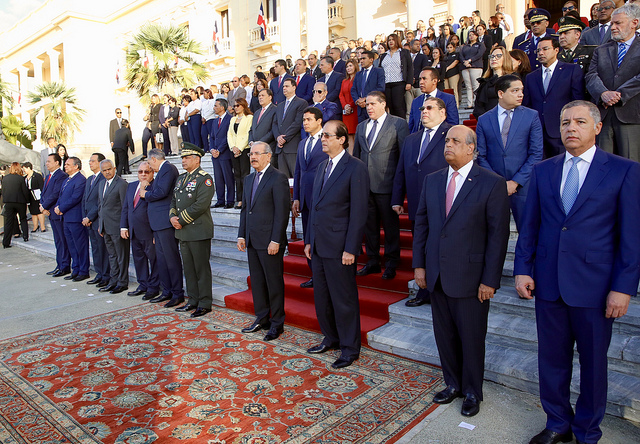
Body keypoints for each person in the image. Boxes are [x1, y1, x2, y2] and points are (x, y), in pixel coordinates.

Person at [514, 100, 640, 444]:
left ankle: (587, 430)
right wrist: (522, 269)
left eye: (580, 121)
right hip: (549, 284)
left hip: (596, 288)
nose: (571, 127)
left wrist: (623, 288)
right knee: (552, 360)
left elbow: (631, 237)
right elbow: (530, 227)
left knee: (594, 365)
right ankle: (558, 423)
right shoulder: (544, 170)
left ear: (597, 127)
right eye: (566, 121)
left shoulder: (623, 170)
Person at [413, 125, 510, 418]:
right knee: (444, 335)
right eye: (447, 141)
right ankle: (452, 384)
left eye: (455, 141)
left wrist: (490, 280)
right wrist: (420, 265)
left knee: (471, 337)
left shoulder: (491, 183)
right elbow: (422, 225)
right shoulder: (432, 180)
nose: (448, 145)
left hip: (471, 278)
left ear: (471, 147)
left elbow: (498, 236)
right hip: (437, 274)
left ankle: (472, 391)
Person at [304, 120, 369, 369]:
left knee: (344, 299)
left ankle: (350, 348)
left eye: (327, 135)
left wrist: (351, 248)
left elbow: (359, 212)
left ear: (342, 139)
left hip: (341, 247)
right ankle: (330, 338)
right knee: (322, 297)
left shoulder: (356, 168)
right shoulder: (322, 167)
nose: (323, 139)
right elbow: (316, 207)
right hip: (319, 245)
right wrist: (309, 240)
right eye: (322, 136)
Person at [391, 98, 451, 306]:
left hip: (445, 204)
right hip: (417, 204)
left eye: (429, 108)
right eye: (422, 108)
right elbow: (402, 169)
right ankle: (424, 291)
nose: (424, 111)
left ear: (443, 113)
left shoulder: (451, 135)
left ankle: (444, 290)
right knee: (421, 245)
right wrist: (397, 198)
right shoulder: (411, 139)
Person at [476, 75, 543, 231]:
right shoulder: (484, 119)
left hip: (524, 186)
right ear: (501, 93)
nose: (521, 94)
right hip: (493, 187)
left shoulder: (531, 116)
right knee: (494, 234)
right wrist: (499, 183)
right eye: (515, 91)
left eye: (521, 90)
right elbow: (481, 155)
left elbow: (536, 153)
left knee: (527, 233)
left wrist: (515, 182)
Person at [353, 91, 408, 280]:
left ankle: (392, 262)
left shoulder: (398, 124)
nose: (369, 107)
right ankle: (373, 261)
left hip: (388, 185)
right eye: (367, 104)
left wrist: (400, 189)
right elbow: (358, 158)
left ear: (383, 104)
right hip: (365, 187)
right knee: (369, 228)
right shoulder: (361, 127)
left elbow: (403, 158)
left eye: (373, 104)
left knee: (391, 227)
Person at [238, 141, 290, 339]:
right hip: (252, 240)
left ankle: (277, 323)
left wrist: (276, 240)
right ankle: (262, 318)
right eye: (251, 154)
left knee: (273, 283)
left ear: (268, 156)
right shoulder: (249, 179)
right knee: (258, 283)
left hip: (270, 242)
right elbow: (246, 210)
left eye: (257, 154)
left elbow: (281, 213)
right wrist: (242, 234)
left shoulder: (278, 178)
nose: (253, 157)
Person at [586, 3, 640, 161]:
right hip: (604, 116)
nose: (613, 27)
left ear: (634, 23)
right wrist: (603, 93)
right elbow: (591, 75)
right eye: (612, 23)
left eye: (618, 23)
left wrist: (619, 95)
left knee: (631, 165)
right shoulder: (601, 49)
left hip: (632, 116)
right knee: (603, 164)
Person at [169, 143, 215, 318]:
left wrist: (180, 220)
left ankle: (204, 303)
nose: (183, 160)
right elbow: (174, 201)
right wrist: (172, 217)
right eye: (182, 157)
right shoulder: (181, 179)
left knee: (201, 269)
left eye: (187, 157)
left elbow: (200, 205)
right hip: (183, 232)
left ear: (197, 159)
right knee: (188, 268)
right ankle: (193, 300)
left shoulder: (205, 179)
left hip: (198, 231)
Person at [523, 37, 584, 158]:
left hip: (561, 130)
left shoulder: (571, 70)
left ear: (556, 50)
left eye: (545, 49)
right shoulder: (531, 77)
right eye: (538, 50)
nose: (540, 53)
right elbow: (527, 105)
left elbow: (577, 102)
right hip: (537, 133)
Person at [139, 149, 184, 307]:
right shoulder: (161, 172)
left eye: (150, 163)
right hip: (158, 223)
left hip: (165, 222)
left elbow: (162, 192)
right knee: (162, 260)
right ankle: (167, 291)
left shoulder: (168, 168)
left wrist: (145, 193)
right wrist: (148, 190)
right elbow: (157, 191)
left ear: (153, 159)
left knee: (171, 259)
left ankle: (177, 292)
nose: (150, 167)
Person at [292, 107, 328, 289]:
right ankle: (314, 274)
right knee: (308, 238)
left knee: (322, 238)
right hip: (305, 200)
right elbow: (298, 172)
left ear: (319, 121)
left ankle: (325, 276)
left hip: (323, 200)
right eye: (304, 120)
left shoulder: (327, 140)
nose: (305, 122)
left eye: (308, 119)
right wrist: (296, 197)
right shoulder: (302, 143)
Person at [120, 162, 160, 300]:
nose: (143, 174)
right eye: (140, 172)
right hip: (133, 231)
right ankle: (143, 284)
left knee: (154, 260)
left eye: (146, 172)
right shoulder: (131, 186)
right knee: (138, 259)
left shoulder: (155, 187)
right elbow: (126, 208)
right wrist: (124, 226)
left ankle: (153, 287)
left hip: (149, 231)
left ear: (152, 173)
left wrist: (156, 232)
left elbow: (156, 210)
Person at [55, 157, 89, 281]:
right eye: (66, 164)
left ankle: (84, 270)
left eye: (68, 164)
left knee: (80, 245)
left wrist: (62, 208)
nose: (66, 166)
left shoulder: (80, 180)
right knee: (72, 246)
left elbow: (75, 198)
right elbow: (61, 195)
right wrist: (58, 206)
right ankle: (76, 269)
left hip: (75, 218)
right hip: (66, 218)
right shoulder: (67, 180)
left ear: (76, 166)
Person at [97, 159, 128, 294]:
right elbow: (100, 206)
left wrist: (124, 226)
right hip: (105, 227)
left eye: (109, 169)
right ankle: (113, 280)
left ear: (114, 168)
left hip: (117, 227)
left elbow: (125, 207)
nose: (107, 172)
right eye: (104, 170)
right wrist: (100, 224)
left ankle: (122, 282)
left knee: (121, 256)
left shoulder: (121, 184)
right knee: (112, 256)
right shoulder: (101, 184)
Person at [82, 153, 110, 288]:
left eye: (92, 161)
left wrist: (90, 217)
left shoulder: (103, 178)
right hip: (89, 221)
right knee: (95, 250)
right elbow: (85, 200)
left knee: (102, 250)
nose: (90, 163)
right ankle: (99, 274)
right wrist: (85, 217)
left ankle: (106, 275)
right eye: (89, 161)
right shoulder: (89, 179)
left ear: (100, 162)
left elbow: (100, 201)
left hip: (98, 219)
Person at [39, 153, 70, 276]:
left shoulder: (61, 176)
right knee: (57, 241)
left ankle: (65, 266)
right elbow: (44, 193)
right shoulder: (48, 176)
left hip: (57, 212)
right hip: (49, 212)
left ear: (57, 162)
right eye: (46, 162)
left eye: (49, 161)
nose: (46, 164)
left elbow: (56, 194)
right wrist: (42, 207)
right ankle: (59, 265)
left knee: (62, 241)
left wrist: (45, 206)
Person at [272, 78, 308, 178]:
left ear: (294, 87)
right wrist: (278, 137)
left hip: (292, 147)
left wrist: (285, 138)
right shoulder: (279, 106)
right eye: (283, 86)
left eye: (287, 86)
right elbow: (274, 123)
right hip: (280, 148)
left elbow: (297, 123)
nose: (284, 88)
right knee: (283, 179)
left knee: (295, 177)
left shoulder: (301, 103)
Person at [408, 67, 459, 133]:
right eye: (420, 79)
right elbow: (411, 126)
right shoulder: (416, 101)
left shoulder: (448, 99)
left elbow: (453, 124)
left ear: (434, 81)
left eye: (424, 79)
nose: (421, 82)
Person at [378, 33, 413, 119]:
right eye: (389, 40)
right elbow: (380, 69)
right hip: (386, 84)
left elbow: (410, 67)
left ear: (397, 41)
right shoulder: (384, 55)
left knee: (398, 106)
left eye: (392, 40)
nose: (390, 42)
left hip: (399, 82)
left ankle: (402, 125)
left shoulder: (404, 52)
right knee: (390, 106)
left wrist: (409, 82)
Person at [473, 46, 514, 117]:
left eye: (498, 56)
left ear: (505, 59)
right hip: (488, 120)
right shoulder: (484, 82)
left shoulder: (512, 79)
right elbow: (478, 107)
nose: (494, 59)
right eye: (492, 56)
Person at [228, 98, 253, 209]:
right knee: (237, 175)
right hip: (234, 150)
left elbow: (248, 133)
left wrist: (240, 148)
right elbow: (230, 134)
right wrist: (233, 147)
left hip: (244, 149)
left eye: (238, 105)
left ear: (243, 106)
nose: (236, 107)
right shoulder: (233, 119)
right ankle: (239, 199)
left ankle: (246, 199)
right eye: (234, 106)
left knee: (245, 174)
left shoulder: (249, 118)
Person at [210, 98, 234, 208]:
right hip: (215, 155)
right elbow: (212, 137)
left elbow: (228, 137)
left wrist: (219, 150)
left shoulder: (230, 119)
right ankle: (220, 200)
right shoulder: (215, 121)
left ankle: (230, 200)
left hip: (225, 153)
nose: (214, 108)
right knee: (218, 178)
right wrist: (212, 149)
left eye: (216, 106)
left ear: (222, 107)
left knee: (228, 177)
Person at [1, 162, 29, 248]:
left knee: (8, 223)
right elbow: (24, 191)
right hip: (20, 202)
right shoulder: (20, 179)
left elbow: (3, 191)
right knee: (23, 219)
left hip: (9, 202)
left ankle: (6, 242)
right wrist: (27, 201)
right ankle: (25, 236)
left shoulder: (5, 178)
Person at [459, 30, 486, 109]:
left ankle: (476, 102)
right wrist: (465, 62)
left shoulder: (480, 45)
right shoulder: (465, 46)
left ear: (477, 36)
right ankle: (469, 104)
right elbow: (461, 55)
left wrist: (470, 60)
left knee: (475, 85)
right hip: (465, 67)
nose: (471, 36)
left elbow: (479, 54)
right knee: (468, 86)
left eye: (473, 35)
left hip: (476, 66)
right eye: (470, 35)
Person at [249, 88, 278, 156]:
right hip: (255, 149)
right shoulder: (256, 112)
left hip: (268, 148)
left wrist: (260, 143)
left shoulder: (275, 110)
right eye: (259, 96)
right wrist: (251, 142)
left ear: (270, 97)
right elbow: (251, 129)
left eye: (263, 95)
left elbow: (273, 130)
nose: (260, 97)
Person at [22, 162, 45, 233]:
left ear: (29, 168)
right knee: (33, 212)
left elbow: (42, 186)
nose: (24, 171)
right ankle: (35, 226)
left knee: (39, 212)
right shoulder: (25, 178)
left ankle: (42, 226)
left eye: (25, 169)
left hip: (37, 196)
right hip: (29, 197)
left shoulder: (37, 176)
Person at [340, 60, 359, 143]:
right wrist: (345, 106)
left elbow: (357, 93)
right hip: (346, 111)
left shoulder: (358, 79)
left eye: (350, 66)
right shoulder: (344, 81)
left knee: (356, 133)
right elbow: (341, 95)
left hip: (355, 109)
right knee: (349, 134)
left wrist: (350, 105)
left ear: (355, 66)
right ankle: (351, 154)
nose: (348, 68)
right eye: (347, 66)